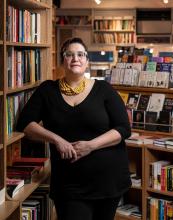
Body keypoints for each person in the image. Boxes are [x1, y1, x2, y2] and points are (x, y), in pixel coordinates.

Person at [16, 37, 131, 220]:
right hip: (69, 182)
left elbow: (124, 128)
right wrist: (57, 139)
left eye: (80, 54)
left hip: (108, 179)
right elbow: (25, 124)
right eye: (69, 54)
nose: (75, 58)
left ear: (86, 61)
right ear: (62, 61)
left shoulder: (104, 89)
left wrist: (91, 145)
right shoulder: (47, 90)